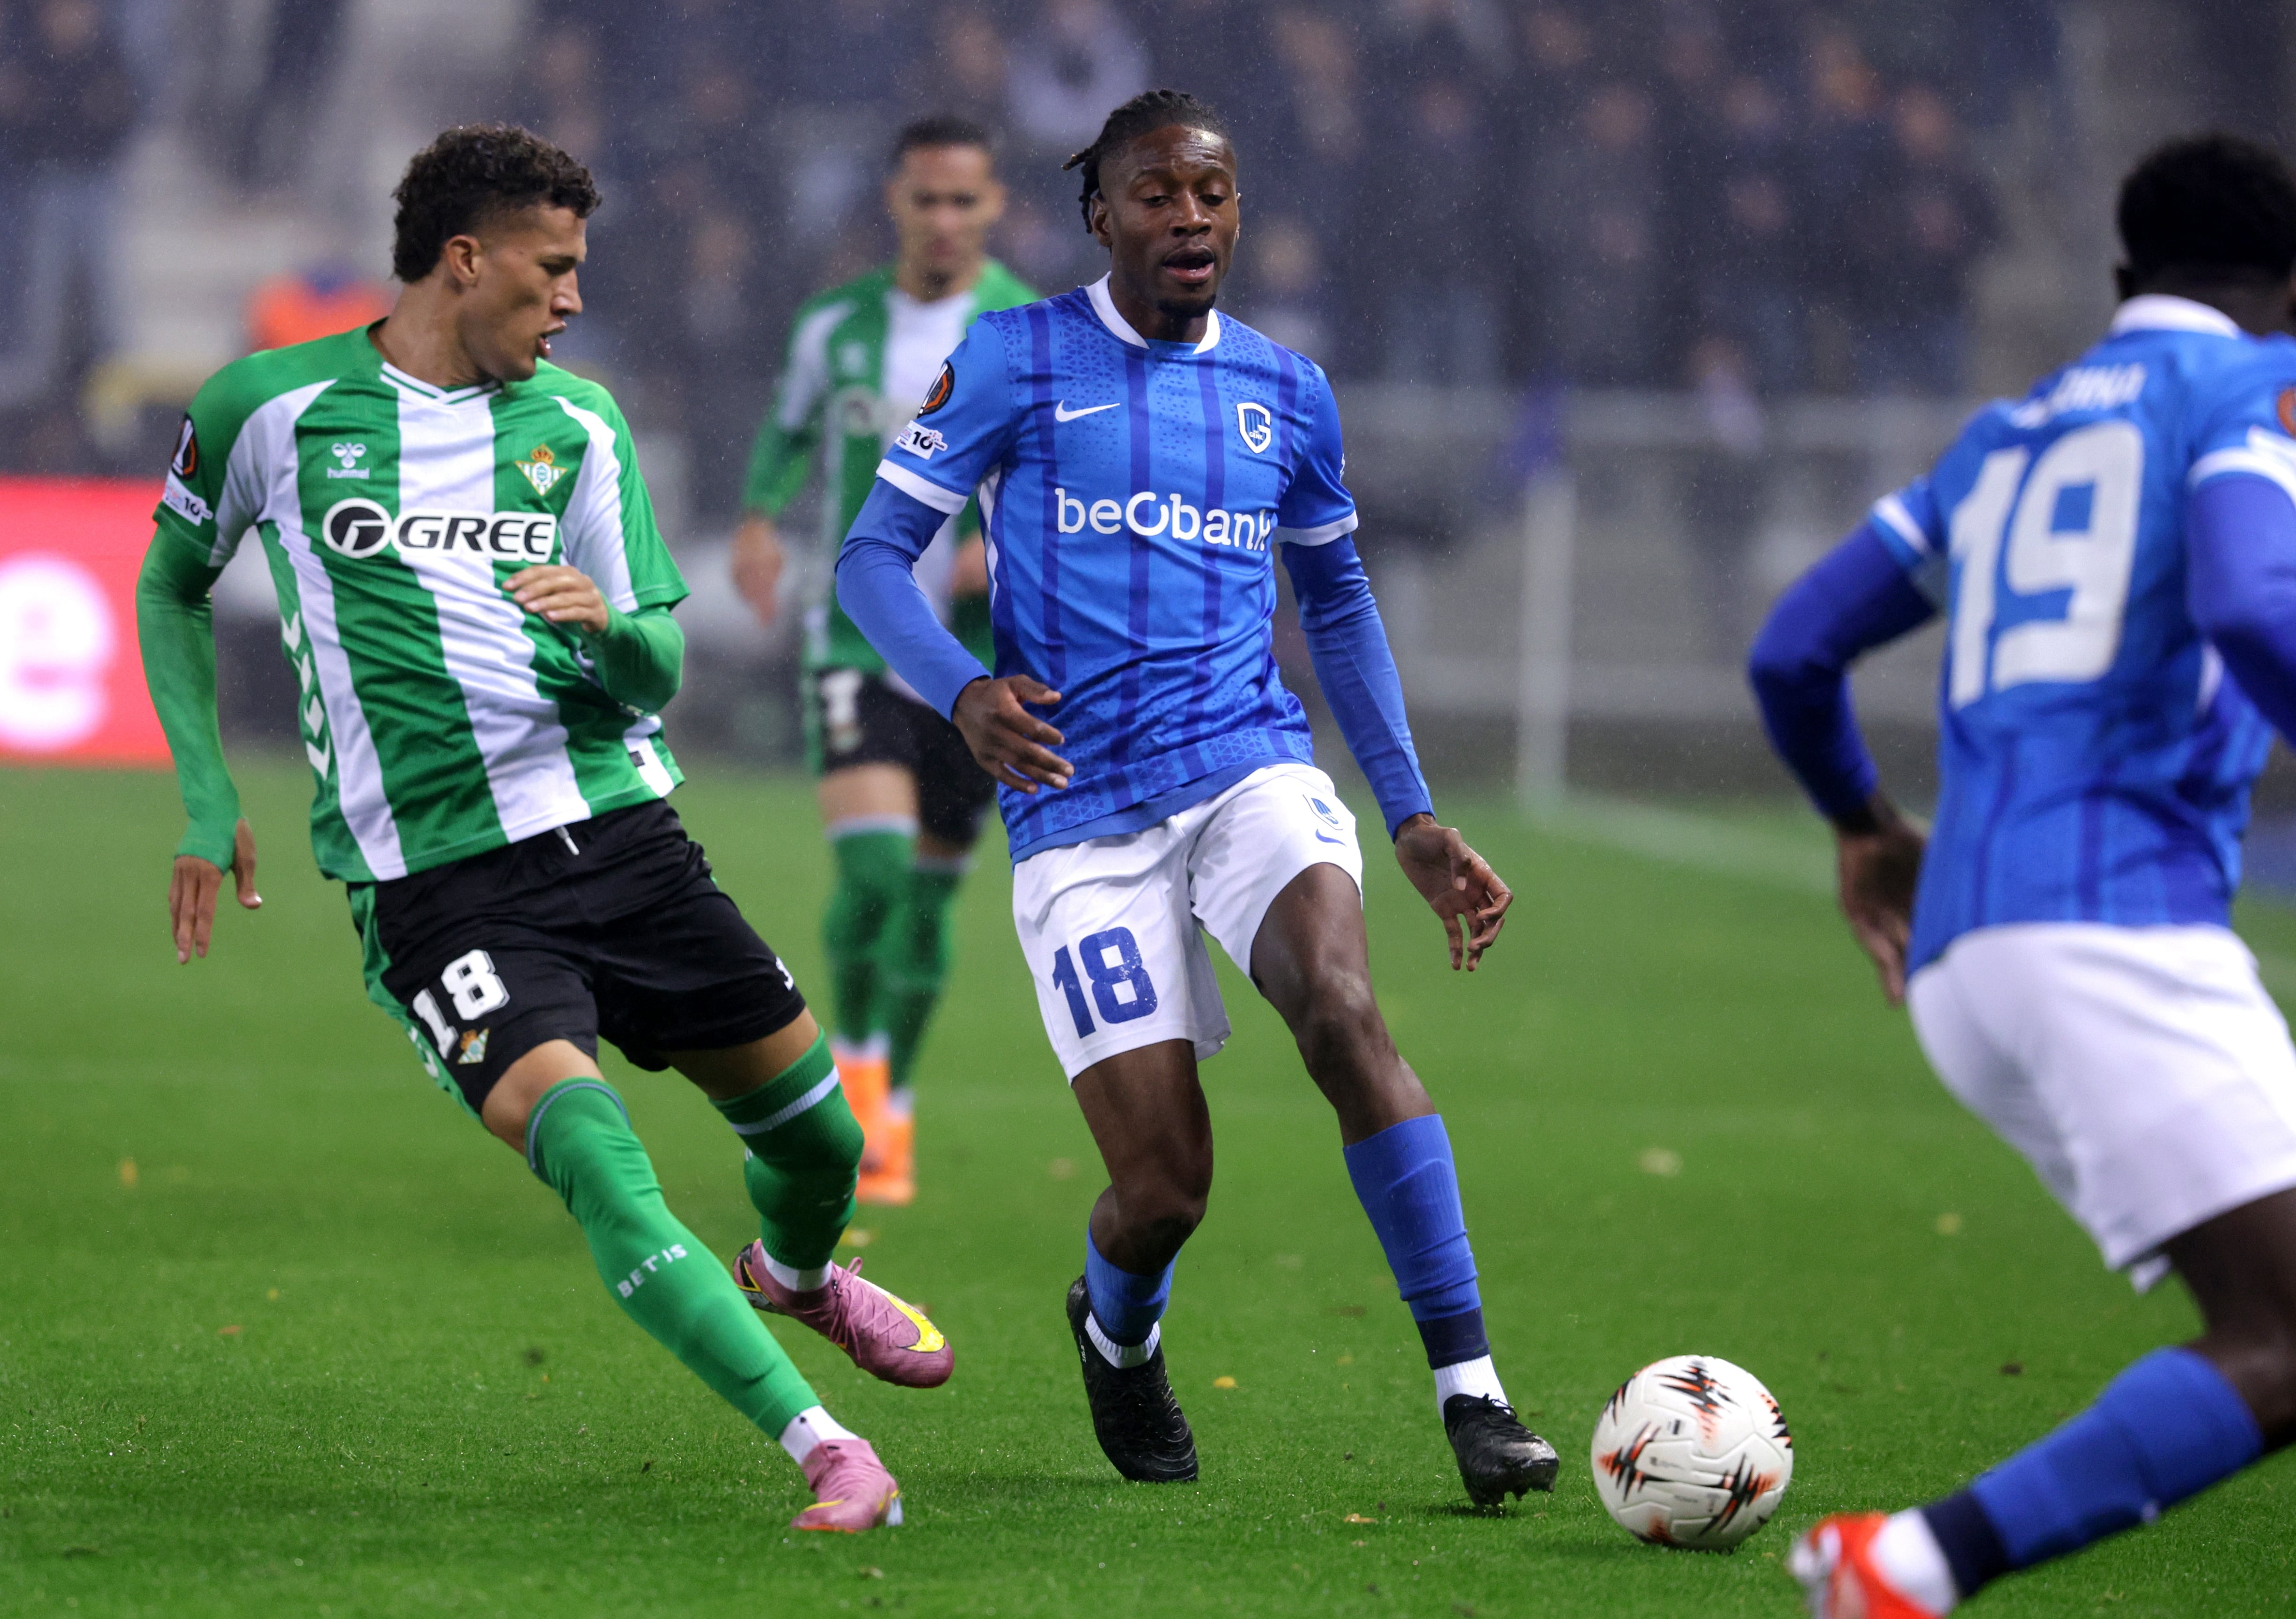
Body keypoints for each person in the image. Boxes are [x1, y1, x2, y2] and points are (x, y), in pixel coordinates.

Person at [135, 125, 953, 1537]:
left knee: (821, 1145)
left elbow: (657, 670)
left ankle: (801, 1275)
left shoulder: (582, 425)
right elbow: (170, 584)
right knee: (595, 1153)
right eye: (554, 268)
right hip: (439, 889)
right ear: (468, 260)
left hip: (622, 836)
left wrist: (603, 638)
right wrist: (211, 800)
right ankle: (828, 1449)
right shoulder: (268, 407)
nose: (573, 298)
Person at [835, 89, 1557, 1507]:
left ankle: (1472, 1392)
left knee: (1346, 1014)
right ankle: (1119, 1330)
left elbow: (1338, 604)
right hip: (1076, 814)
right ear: (1100, 214)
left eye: (1212, 196)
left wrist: (1408, 812)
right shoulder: (1015, 359)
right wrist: (964, 692)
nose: (1190, 220)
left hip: (1250, 768)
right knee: (1166, 1188)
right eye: (1157, 196)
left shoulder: (1287, 389)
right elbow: (873, 557)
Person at [1749, 133, 2296, 1614]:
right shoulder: (2257, 389)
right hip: (2112, 929)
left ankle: (1916, 1565)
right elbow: (2255, 596)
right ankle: (1913, 1564)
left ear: (2122, 278)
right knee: (2285, 1330)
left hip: (1966, 956)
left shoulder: (2004, 439)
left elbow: (1795, 648)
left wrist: (1866, 824)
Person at [732, 114, 1036, 1206]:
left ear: (994, 207)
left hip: (979, 661)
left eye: (966, 202)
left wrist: (993, 548)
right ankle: (853, 1068)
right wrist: (761, 516)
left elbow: (1060, 476)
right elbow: (787, 428)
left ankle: (892, 1099)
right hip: (854, 632)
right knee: (872, 874)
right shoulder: (836, 328)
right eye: (927, 200)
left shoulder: (1028, 330)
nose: (945, 220)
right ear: (895, 203)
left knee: (929, 901)